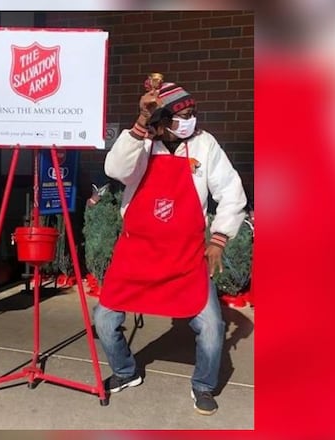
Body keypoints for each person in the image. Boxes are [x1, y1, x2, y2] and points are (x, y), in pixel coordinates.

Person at [94, 77, 247, 415]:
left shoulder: (205, 145)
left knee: (211, 326)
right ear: (162, 120)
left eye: (193, 111)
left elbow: (232, 194)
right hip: (137, 255)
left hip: (186, 257)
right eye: (182, 113)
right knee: (104, 319)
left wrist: (219, 240)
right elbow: (115, 169)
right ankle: (125, 372)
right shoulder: (143, 143)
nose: (191, 118)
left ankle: (204, 386)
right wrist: (140, 124)